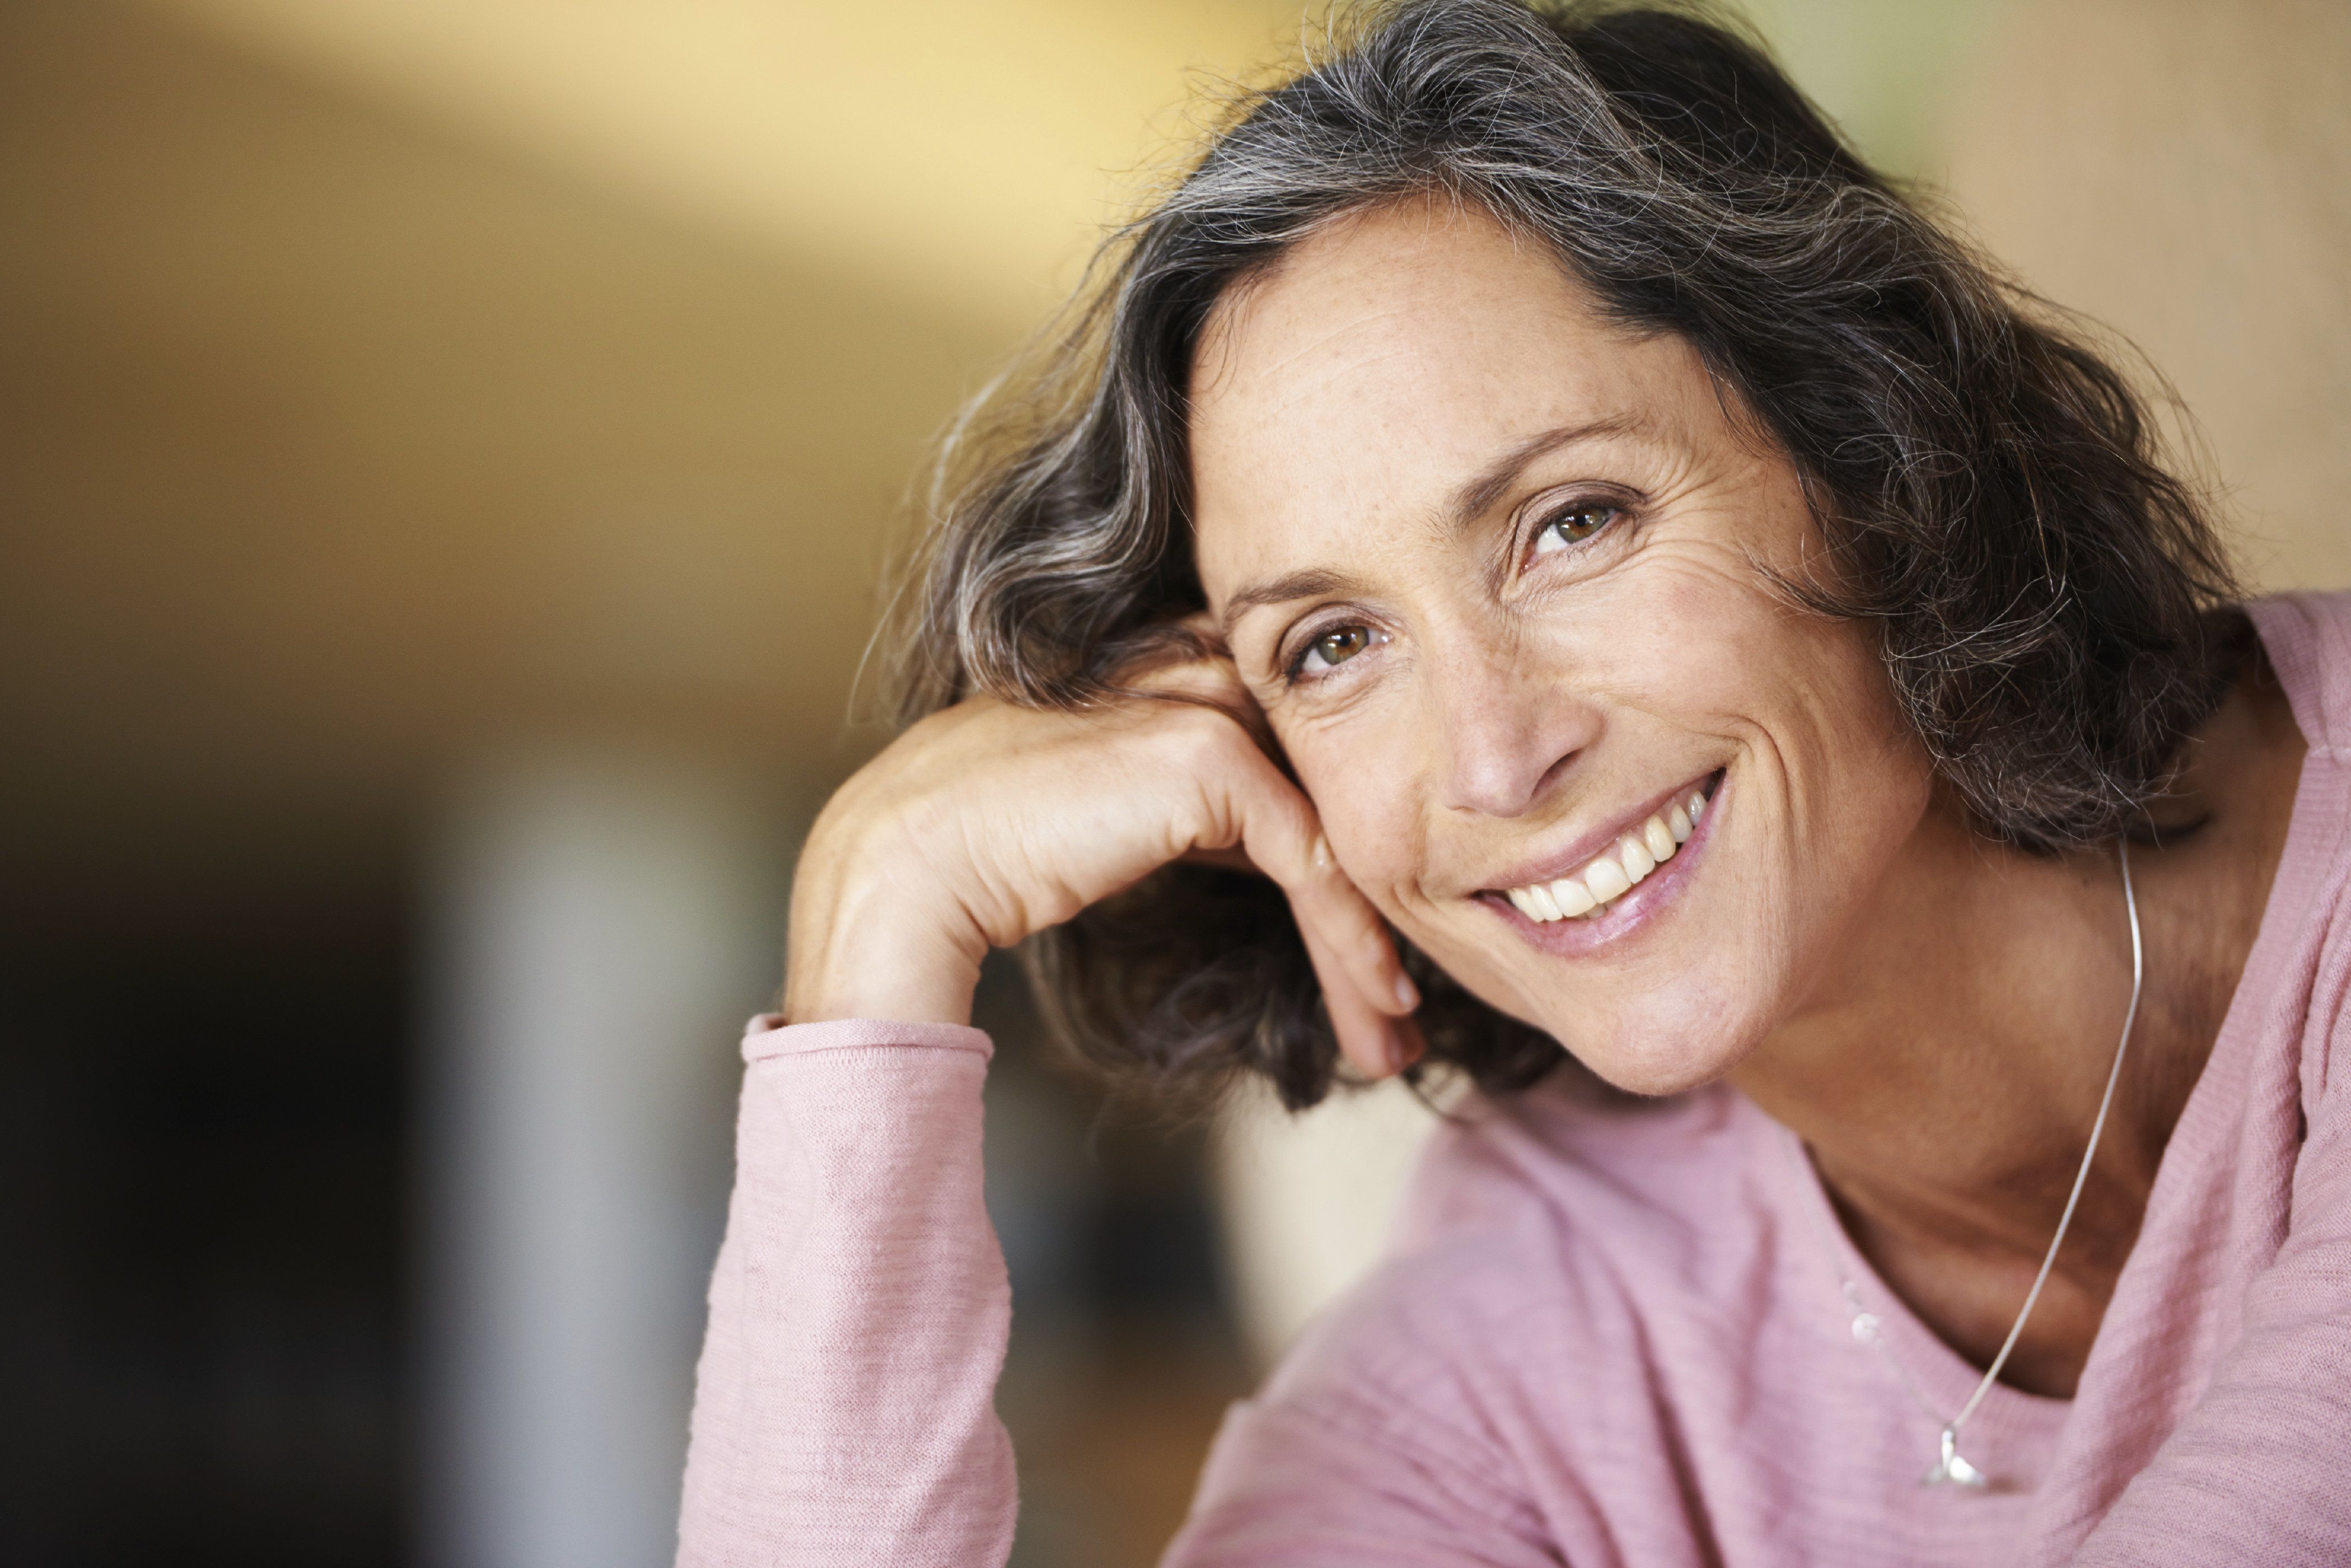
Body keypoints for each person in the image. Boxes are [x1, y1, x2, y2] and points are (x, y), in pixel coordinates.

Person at [674, 2, 2350, 1563]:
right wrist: (877, 919)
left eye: (1573, 523)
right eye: (1333, 645)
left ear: (1875, 448)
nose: (1493, 754)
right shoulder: (1530, 1324)